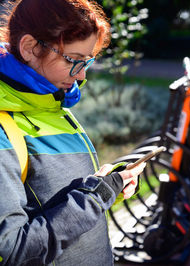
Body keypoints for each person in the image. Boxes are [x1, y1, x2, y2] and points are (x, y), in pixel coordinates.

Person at [0, 0, 146, 265]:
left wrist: (110, 184)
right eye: (74, 61)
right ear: (30, 48)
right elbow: (12, 250)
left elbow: (59, 200)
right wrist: (94, 197)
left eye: (87, 63)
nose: (80, 77)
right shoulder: (4, 128)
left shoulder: (54, 103)